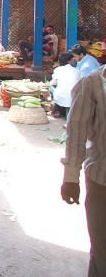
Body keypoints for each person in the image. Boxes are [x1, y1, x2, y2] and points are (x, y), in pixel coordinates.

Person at [61, 68, 106, 277]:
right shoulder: (93, 82)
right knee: (102, 254)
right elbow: (76, 131)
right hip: (102, 182)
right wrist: (71, 178)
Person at [50, 52, 81, 119]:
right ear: (69, 61)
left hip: (62, 97)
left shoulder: (57, 70)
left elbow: (53, 83)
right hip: (73, 97)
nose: (74, 60)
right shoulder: (76, 71)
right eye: (72, 59)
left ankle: (56, 109)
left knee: (51, 88)